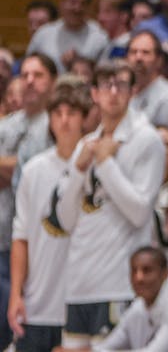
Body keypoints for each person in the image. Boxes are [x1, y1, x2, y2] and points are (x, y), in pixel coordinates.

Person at [56, 61, 166, 350]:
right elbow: (65, 221)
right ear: (94, 94)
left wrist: (104, 164)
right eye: (106, 85)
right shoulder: (86, 145)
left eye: (121, 85)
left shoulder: (147, 140)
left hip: (119, 282)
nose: (113, 92)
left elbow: (140, 213)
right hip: (79, 283)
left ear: (133, 92)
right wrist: (80, 170)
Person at [7, 77, 88, 352]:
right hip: (37, 303)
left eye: (72, 113)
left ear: (84, 119)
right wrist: (16, 294)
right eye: (57, 114)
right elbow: (21, 237)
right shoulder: (34, 170)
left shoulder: (96, 167)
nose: (64, 121)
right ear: (49, 120)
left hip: (81, 304)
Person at [92, 246, 168, 351]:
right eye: (134, 271)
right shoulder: (138, 306)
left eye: (147, 270)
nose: (138, 278)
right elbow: (106, 346)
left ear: (166, 273)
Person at [26, 0, 109, 74]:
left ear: (89, 7)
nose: (77, 9)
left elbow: (104, 74)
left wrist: (81, 64)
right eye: (73, 2)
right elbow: (28, 65)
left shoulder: (100, 36)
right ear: (62, 3)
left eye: (83, 4)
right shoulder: (43, 34)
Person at [126, 31, 168, 145]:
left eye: (146, 53)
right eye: (133, 52)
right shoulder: (124, 93)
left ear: (159, 60)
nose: (138, 57)